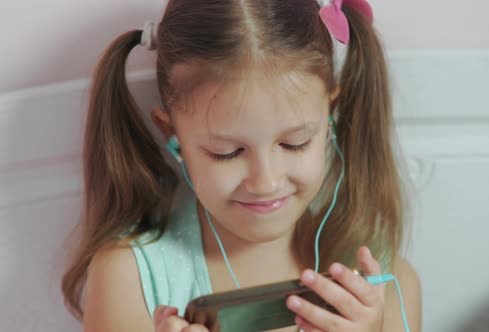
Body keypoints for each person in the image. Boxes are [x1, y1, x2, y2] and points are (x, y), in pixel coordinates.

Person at [61, 0, 422, 331]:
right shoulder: (129, 279)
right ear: (173, 136)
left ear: (330, 118)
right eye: (227, 152)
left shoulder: (386, 283)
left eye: (294, 143)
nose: (265, 181)